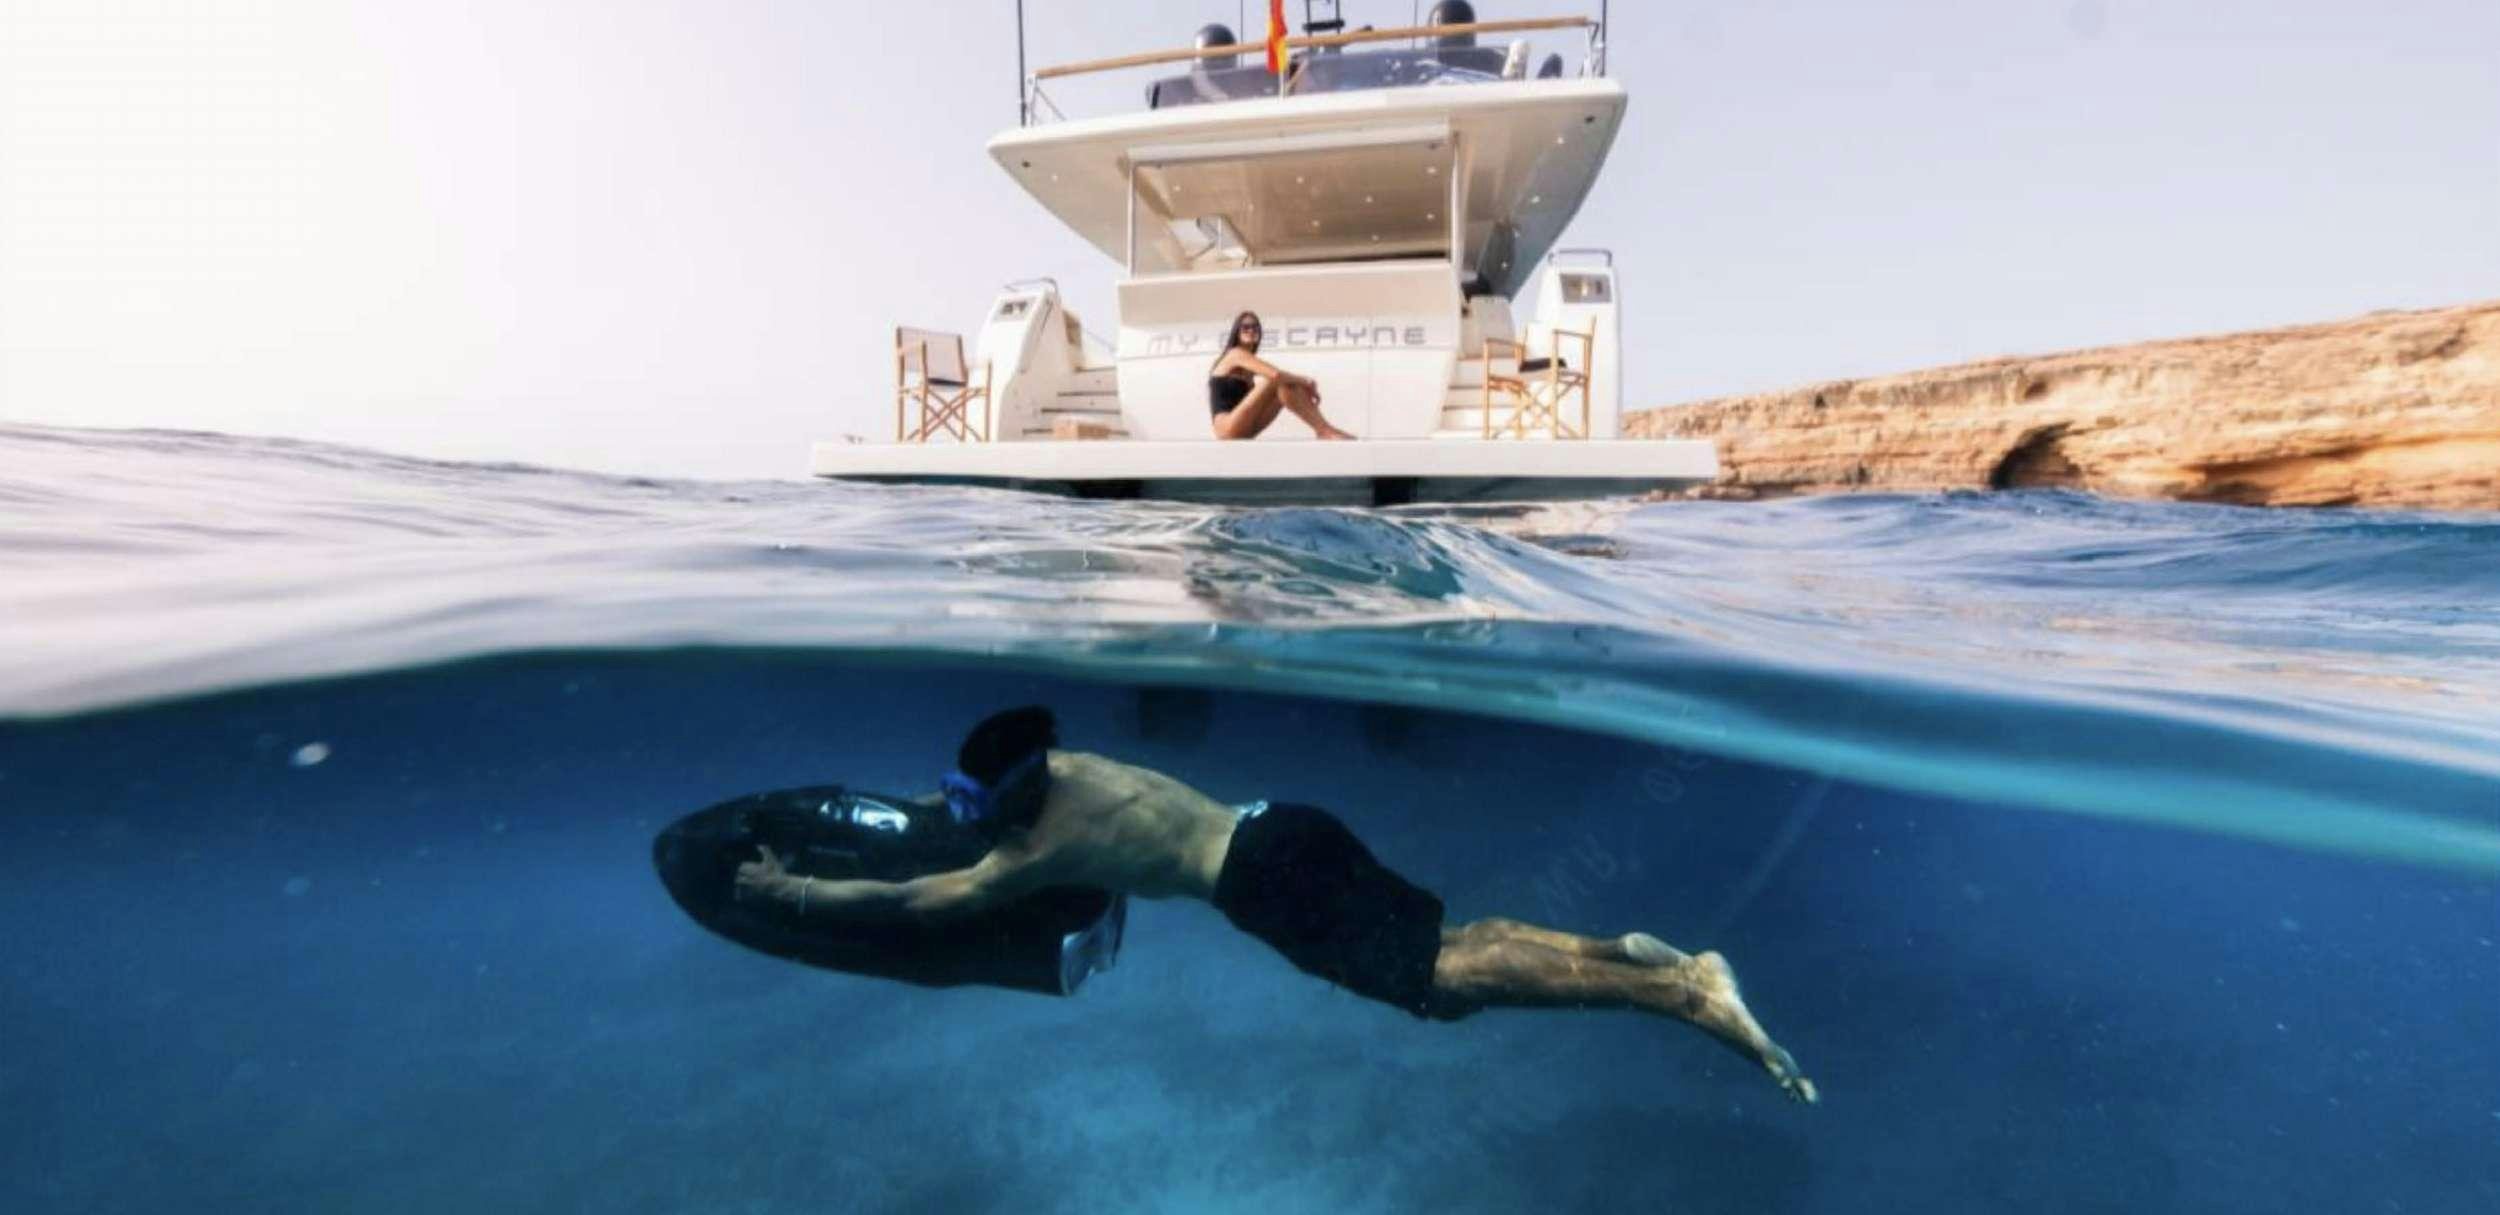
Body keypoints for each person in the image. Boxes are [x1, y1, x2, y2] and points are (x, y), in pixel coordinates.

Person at [735, 706, 1818, 1104]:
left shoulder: (1041, 844)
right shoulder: (1065, 769)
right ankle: (1611, 950)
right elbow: (973, 796)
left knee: (1436, 983)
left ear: (1010, 801)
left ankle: (1676, 990)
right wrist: (948, 799)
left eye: (976, 803)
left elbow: (931, 901)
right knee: (1440, 941)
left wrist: (796, 890)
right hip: (1281, 820)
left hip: (1255, 880)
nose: (964, 811)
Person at [1207, 310, 1358, 441]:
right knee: (1272, 380)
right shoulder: (1235, 354)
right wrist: (1306, 382)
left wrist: (1299, 384)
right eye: (1245, 327)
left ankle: (1324, 429)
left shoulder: (1249, 368)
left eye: (1255, 327)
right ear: (1236, 332)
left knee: (1283, 387)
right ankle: (1325, 430)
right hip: (1227, 429)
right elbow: (1275, 374)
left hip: (1246, 430)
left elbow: (1279, 378)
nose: (1251, 330)